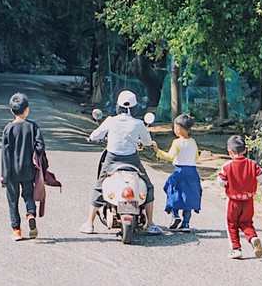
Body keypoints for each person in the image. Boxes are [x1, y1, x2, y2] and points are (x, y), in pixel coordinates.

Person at [80, 90, 165, 235]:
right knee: (148, 186)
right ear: (134, 107)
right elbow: (147, 141)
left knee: (99, 187)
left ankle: (89, 223)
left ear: (118, 106)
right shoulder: (138, 123)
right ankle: (150, 223)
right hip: (132, 160)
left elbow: (95, 135)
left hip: (111, 160)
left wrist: (92, 138)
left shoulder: (110, 121)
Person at [2, 92, 44, 240]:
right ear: (27, 110)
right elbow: (40, 146)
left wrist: (4, 175)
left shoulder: (8, 129)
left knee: (12, 200)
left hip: (12, 171)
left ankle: (16, 230)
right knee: (28, 194)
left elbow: (5, 153)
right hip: (28, 169)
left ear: (11, 110)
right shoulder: (33, 127)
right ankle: (30, 214)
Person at [218, 135, 262, 259]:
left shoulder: (227, 166)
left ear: (229, 151)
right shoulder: (253, 164)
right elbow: (260, 178)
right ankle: (253, 238)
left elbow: (221, 182)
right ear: (245, 150)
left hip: (233, 201)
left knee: (232, 224)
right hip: (248, 200)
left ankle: (236, 249)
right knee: (246, 222)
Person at [157, 113, 201, 231]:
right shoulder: (193, 142)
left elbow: (170, 156)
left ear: (179, 129)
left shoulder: (177, 142)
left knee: (173, 192)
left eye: (175, 126)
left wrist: (157, 151)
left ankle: (175, 215)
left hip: (179, 171)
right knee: (189, 196)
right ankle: (186, 223)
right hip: (192, 172)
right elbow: (196, 157)